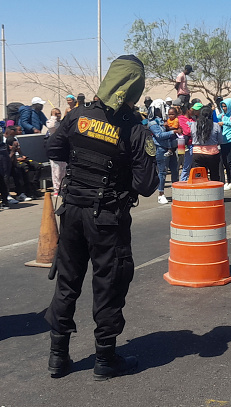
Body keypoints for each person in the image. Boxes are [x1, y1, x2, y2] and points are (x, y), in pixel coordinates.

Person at [44, 55, 159, 380]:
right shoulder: (136, 129)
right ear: (135, 88)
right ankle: (105, 359)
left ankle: (57, 357)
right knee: (108, 284)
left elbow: (53, 149)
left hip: (72, 213)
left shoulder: (77, 115)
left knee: (67, 282)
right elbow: (147, 185)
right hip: (108, 218)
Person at [148, 107, 179, 204]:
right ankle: (161, 194)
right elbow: (160, 135)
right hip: (161, 149)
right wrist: (172, 131)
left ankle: (176, 192)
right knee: (162, 172)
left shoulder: (163, 121)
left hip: (172, 148)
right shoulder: (153, 123)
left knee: (175, 170)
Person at [191, 105, 222, 181]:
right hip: (212, 153)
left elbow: (192, 137)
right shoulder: (216, 126)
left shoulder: (193, 125)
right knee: (214, 175)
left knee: (199, 176)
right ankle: (215, 192)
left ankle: (201, 192)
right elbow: (220, 140)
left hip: (197, 153)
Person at [217, 98, 231, 190]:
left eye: (225, 106)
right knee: (225, 163)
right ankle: (228, 181)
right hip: (223, 141)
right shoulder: (221, 116)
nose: (224, 108)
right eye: (222, 106)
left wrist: (225, 123)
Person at [46, 108, 67, 196]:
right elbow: (52, 127)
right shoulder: (50, 122)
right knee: (56, 171)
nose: (58, 115)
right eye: (56, 113)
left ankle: (63, 188)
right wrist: (53, 116)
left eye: (59, 113)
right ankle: (56, 189)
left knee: (64, 170)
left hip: (63, 148)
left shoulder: (62, 123)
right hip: (54, 149)